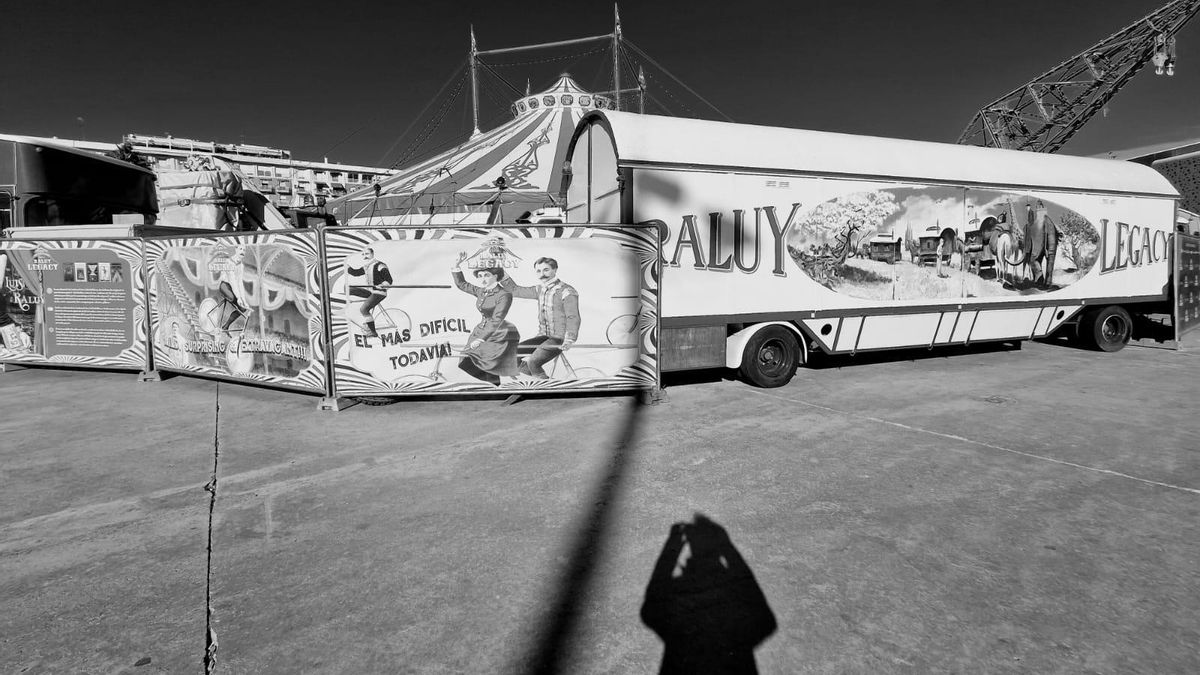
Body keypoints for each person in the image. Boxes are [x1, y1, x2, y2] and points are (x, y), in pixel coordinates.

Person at [501, 256, 580, 379]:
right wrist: (500, 272)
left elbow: (573, 317)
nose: (542, 274)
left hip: (559, 339)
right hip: (543, 337)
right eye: (538, 271)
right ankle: (544, 381)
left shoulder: (567, 291)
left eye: (546, 270)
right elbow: (515, 290)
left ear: (555, 270)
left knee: (533, 362)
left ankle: (547, 388)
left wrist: (569, 339)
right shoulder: (539, 289)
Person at [452, 256, 520, 385]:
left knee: (487, 363)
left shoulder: (504, 294)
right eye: (480, 275)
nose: (482, 279)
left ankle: (495, 385)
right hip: (481, 330)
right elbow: (462, 284)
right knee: (465, 362)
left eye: (486, 275)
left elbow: (497, 319)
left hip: (500, 333)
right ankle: (495, 384)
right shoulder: (481, 291)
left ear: (495, 276)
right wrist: (457, 265)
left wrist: (481, 339)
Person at [345, 247, 392, 338]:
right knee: (349, 289)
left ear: (372, 254)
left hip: (379, 293)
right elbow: (356, 273)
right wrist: (345, 265)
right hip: (371, 292)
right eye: (363, 254)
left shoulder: (380, 265)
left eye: (367, 254)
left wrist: (382, 285)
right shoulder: (367, 266)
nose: (365, 256)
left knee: (364, 309)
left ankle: (373, 332)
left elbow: (389, 280)